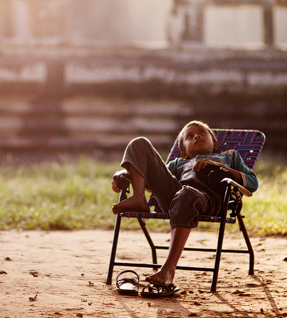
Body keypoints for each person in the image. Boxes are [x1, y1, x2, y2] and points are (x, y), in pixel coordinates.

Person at [110, 120, 259, 293]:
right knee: (139, 143)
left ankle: (168, 269)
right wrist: (127, 176)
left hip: (208, 199)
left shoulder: (229, 156)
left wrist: (222, 168)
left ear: (215, 143)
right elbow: (155, 183)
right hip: (176, 196)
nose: (197, 136)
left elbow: (253, 183)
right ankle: (138, 197)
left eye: (202, 132)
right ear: (183, 152)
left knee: (186, 193)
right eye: (190, 136)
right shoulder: (177, 163)